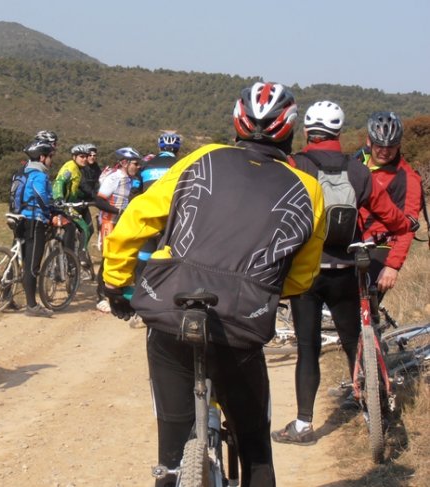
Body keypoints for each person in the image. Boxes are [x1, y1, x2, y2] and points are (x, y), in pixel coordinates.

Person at [102, 82, 326, 487]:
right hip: (241, 323)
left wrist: (115, 283)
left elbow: (136, 220)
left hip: (171, 309)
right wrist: (265, 291)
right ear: (290, 130)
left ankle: (173, 470)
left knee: (170, 450)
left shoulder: (201, 159)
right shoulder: (308, 189)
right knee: (254, 444)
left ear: (237, 123)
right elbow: (303, 276)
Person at [271, 101, 416, 444]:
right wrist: (403, 226)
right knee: (355, 342)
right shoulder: (358, 171)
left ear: (307, 132)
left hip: (306, 272)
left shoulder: (295, 165)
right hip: (348, 270)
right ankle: (374, 412)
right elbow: (395, 219)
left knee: (308, 347)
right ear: (339, 132)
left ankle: (304, 425)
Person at [358, 111, 422, 299]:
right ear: (369, 141)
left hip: (381, 246)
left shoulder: (408, 178)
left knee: (361, 304)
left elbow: (409, 226)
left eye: (391, 146)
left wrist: (392, 266)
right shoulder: (356, 162)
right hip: (350, 241)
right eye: (379, 145)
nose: (385, 151)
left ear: (399, 145)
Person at [94, 146, 142, 313]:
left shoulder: (128, 178)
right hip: (108, 222)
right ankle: (101, 297)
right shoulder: (114, 177)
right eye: (135, 163)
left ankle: (116, 292)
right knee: (107, 259)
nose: (138, 167)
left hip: (119, 223)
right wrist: (119, 211)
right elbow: (99, 201)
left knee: (118, 257)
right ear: (124, 163)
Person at [136, 132, 182, 278]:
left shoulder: (145, 166)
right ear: (178, 150)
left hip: (148, 217)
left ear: (159, 148)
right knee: (169, 258)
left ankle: (139, 286)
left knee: (144, 256)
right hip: (172, 220)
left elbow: (134, 193)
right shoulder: (182, 165)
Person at [20, 140, 56, 318]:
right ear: (42, 157)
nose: (51, 160)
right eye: (50, 157)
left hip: (21, 218)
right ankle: (32, 306)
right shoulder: (39, 175)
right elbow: (40, 195)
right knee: (32, 266)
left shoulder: (24, 171)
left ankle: (8, 295)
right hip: (35, 220)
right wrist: (49, 211)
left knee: (24, 260)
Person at [52, 144, 93, 264]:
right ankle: (81, 255)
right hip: (65, 206)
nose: (84, 159)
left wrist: (85, 197)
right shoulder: (70, 168)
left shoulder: (78, 170)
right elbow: (59, 182)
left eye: (86, 157)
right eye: (81, 156)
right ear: (74, 157)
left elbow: (73, 189)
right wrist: (59, 197)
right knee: (85, 229)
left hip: (68, 203)